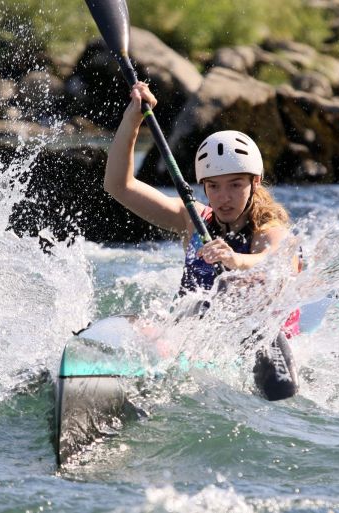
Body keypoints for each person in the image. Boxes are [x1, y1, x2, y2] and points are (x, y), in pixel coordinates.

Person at [104, 82, 300, 401]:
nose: (224, 197)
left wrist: (236, 260)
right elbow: (119, 185)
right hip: (196, 336)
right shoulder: (193, 219)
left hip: (265, 336)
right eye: (214, 186)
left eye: (236, 185)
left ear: (255, 182)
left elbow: (271, 260)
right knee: (141, 324)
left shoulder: (270, 226)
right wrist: (132, 119)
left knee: (255, 336)